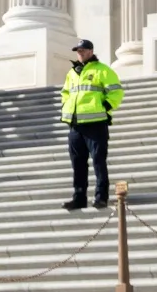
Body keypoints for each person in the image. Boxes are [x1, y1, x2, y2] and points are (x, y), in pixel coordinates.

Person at [60, 39, 122, 211]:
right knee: (77, 163)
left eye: (83, 50)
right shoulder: (72, 73)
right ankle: (79, 198)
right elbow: (65, 93)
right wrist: (66, 107)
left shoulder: (103, 70)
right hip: (75, 125)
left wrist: (106, 106)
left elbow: (116, 91)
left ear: (90, 51)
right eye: (78, 51)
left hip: (95, 123)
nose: (80, 53)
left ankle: (101, 197)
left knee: (98, 161)